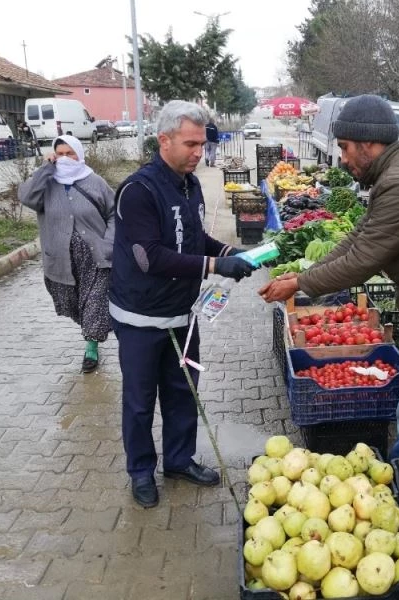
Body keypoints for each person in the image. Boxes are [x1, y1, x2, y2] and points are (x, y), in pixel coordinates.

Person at [258, 94, 399, 461]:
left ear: (368, 143)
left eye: (345, 147)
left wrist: (301, 285)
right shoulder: (396, 173)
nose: (342, 157)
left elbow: (363, 260)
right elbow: (357, 239)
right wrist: (305, 272)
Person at [110, 100, 256, 508]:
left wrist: (228, 252)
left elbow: (193, 239)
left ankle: (178, 460)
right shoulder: (138, 191)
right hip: (140, 318)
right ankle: (141, 471)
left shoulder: (190, 185)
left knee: (182, 391)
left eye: (201, 144)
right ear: (165, 140)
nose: (198, 152)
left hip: (181, 314)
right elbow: (150, 257)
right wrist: (214, 265)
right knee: (140, 402)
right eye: (190, 144)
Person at [19, 134, 115, 374]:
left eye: (69, 153)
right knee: (73, 302)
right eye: (59, 154)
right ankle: (89, 329)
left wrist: (109, 244)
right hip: (61, 259)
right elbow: (26, 197)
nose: (64, 158)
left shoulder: (95, 182)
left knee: (94, 302)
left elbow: (115, 213)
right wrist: (45, 168)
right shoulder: (46, 184)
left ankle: (91, 346)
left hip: (96, 257)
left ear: (79, 154)